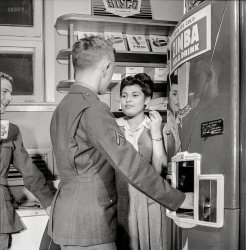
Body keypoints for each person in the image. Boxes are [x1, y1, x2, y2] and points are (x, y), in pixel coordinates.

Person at [48, 36, 193, 250]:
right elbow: (130, 164)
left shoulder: (62, 108)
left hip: (65, 221)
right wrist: (179, 200)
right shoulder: (94, 108)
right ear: (106, 66)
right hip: (92, 222)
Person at [0, 72, 54, 250]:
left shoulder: (11, 131)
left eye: (10, 93)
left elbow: (30, 172)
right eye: (4, 92)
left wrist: (49, 203)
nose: (9, 98)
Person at [115, 73, 168, 250]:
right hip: (121, 204)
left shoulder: (156, 126)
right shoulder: (112, 127)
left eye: (135, 95)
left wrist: (155, 133)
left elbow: (160, 170)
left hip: (150, 204)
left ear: (147, 100)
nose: (128, 100)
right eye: (124, 95)